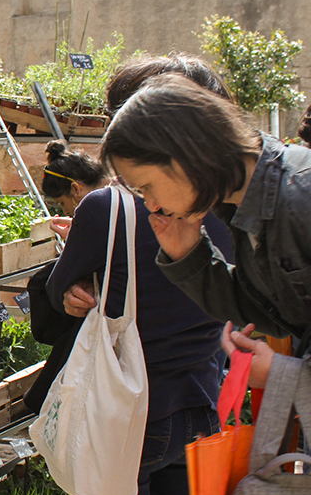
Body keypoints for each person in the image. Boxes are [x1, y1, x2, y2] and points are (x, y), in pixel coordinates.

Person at [43, 58, 235, 495]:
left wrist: (78, 287)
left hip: (126, 413)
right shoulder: (225, 201)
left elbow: (61, 292)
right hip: (202, 402)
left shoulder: (110, 206)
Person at [101, 74, 311, 390]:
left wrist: (289, 377)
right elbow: (274, 314)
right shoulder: (244, 201)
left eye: (147, 187)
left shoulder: (300, 196)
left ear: (186, 155)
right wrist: (188, 256)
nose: (151, 205)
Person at [22, 141, 106, 414]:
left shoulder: (97, 208)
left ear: (76, 189)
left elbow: (58, 283)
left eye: (62, 203)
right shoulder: (114, 200)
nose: (66, 209)